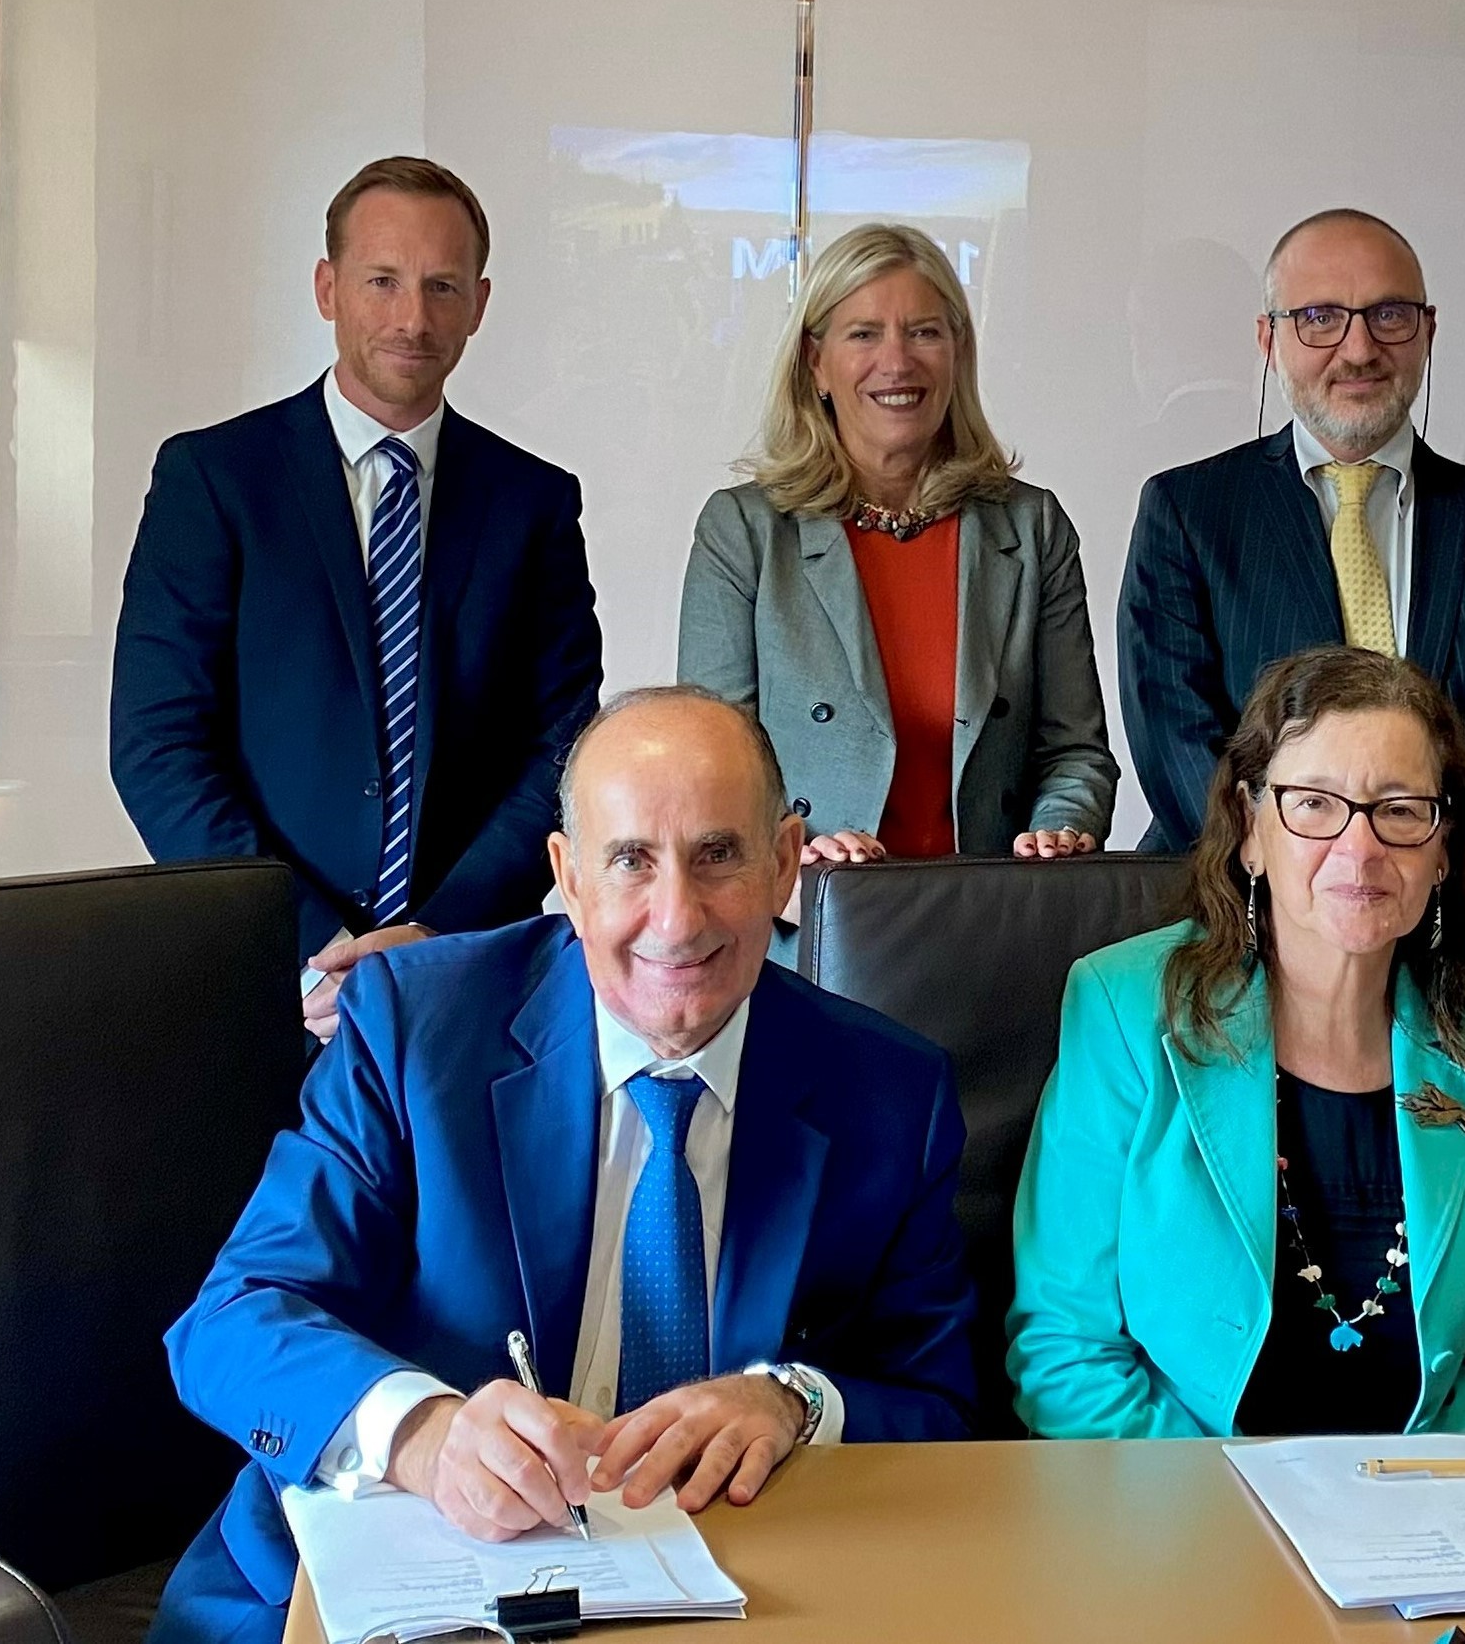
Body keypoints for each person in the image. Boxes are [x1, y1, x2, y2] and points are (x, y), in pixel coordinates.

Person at [150, 687, 977, 1644]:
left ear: (786, 861)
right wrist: (422, 1435)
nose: (677, 919)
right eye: (630, 861)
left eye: (718, 855)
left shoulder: (891, 1091)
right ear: (568, 877)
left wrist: (795, 1401)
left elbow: (939, 1401)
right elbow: (235, 1318)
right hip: (379, 1588)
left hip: (737, 1595)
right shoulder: (415, 1026)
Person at [1007, 646, 1465, 1437]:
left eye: (1400, 809)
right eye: (1313, 803)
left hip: (1427, 1498)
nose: (1360, 848)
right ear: (1250, 829)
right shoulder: (1126, 1008)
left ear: (1444, 847)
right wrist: (1229, 1504)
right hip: (1183, 1495)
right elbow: (1067, 1353)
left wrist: (1423, 1494)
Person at [112, 156, 602, 1037]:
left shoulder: (533, 502)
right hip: (264, 977)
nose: (413, 318)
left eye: (442, 286)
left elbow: (563, 750)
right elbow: (157, 744)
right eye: (382, 281)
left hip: (471, 980)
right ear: (327, 288)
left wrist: (434, 937)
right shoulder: (214, 480)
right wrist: (313, 940)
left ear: (479, 304)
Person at [1119, 209, 1465, 902]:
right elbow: (1178, 747)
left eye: (1389, 315)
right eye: (1320, 318)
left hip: (1458, 922)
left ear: (1428, 331)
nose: (1359, 348)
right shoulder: (1188, 515)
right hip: (1237, 920)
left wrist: (1436, 889)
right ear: (1269, 339)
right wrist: (1301, 902)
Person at [679, 222, 1115, 871]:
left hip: (990, 907)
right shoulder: (743, 531)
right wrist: (797, 846)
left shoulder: (1033, 526)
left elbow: (1074, 753)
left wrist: (1059, 828)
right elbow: (710, 758)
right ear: (815, 362)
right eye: (864, 334)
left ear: (957, 353)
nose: (898, 361)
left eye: (924, 332)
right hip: (810, 907)